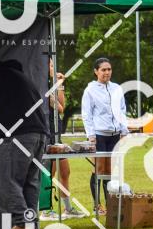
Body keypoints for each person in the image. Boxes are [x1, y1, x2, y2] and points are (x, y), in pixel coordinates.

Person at [0, 59, 49, 229]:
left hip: (19, 135)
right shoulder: (24, 80)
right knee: (30, 183)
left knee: (7, 181)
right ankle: (32, 225)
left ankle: (23, 223)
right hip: (40, 135)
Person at [81, 57, 129, 215]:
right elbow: (86, 114)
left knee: (110, 170)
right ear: (96, 71)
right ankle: (97, 205)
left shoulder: (117, 88)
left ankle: (110, 204)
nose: (107, 72)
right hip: (99, 135)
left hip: (115, 135)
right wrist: (91, 135)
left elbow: (122, 111)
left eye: (109, 69)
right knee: (99, 169)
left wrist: (124, 131)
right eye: (103, 70)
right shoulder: (90, 90)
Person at [42, 58, 85, 220]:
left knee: (65, 171)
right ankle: (46, 210)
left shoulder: (52, 84)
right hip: (47, 134)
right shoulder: (42, 86)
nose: (53, 68)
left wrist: (60, 85)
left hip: (57, 134)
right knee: (49, 173)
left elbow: (62, 105)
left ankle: (68, 208)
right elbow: (59, 108)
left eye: (54, 65)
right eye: (50, 65)